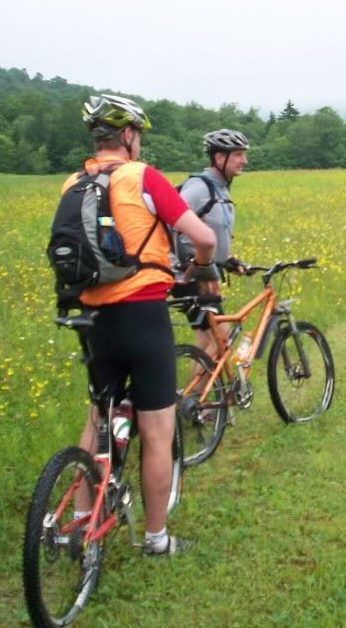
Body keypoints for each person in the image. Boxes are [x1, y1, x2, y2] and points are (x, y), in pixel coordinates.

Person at [67, 93, 217, 556]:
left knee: (98, 418)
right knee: (157, 429)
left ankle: (78, 522)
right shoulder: (143, 176)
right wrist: (199, 268)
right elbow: (204, 237)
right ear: (128, 135)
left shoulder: (74, 182)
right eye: (139, 136)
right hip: (143, 315)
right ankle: (156, 538)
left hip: (92, 319)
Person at [173, 129, 250, 359]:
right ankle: (200, 387)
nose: (244, 160)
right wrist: (193, 263)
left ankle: (204, 383)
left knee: (206, 342)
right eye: (238, 154)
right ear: (219, 157)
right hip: (190, 276)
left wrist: (226, 260)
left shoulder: (220, 187)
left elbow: (209, 228)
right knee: (221, 339)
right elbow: (171, 223)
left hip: (202, 272)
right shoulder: (199, 187)